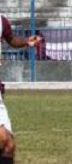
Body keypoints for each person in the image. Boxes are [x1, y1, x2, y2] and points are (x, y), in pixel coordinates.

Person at [0, 15, 42, 163]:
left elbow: (10, 39)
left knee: (9, 145)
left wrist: (26, 41)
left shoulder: (1, 21)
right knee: (3, 139)